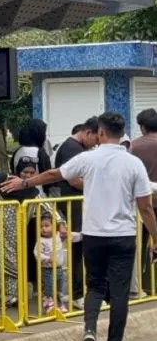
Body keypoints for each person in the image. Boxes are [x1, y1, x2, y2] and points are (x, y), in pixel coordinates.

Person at [2, 112, 157, 341]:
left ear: (100, 133)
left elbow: (54, 174)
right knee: (119, 294)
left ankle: (89, 332)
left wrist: (24, 182)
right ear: (121, 134)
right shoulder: (133, 164)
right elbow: (145, 207)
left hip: (94, 235)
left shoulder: (88, 158)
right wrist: (155, 237)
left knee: (95, 287)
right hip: (123, 236)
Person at [0, 150, 58, 308]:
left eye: (32, 172)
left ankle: (9, 298)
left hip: (16, 238)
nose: (28, 176)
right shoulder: (2, 181)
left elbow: (49, 210)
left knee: (13, 268)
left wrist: (61, 223)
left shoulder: (33, 193)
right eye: (25, 172)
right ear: (18, 171)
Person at [54, 117, 99, 305]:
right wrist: (98, 186)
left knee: (79, 248)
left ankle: (76, 291)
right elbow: (74, 180)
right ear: (87, 133)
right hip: (73, 206)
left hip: (77, 205)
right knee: (78, 249)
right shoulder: (72, 149)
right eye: (96, 140)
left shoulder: (74, 148)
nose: (96, 145)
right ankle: (78, 293)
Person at [130, 109, 157, 291]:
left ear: (142, 126)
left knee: (140, 245)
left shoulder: (134, 146)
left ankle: (143, 286)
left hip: (142, 201)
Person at [35, 213, 69, 313]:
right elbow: (37, 253)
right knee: (49, 288)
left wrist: (77, 234)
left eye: (46, 226)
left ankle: (59, 304)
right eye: (41, 227)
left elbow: (67, 235)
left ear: (54, 227)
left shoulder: (57, 236)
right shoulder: (41, 241)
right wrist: (46, 259)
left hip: (59, 268)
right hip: (48, 269)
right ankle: (48, 305)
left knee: (60, 287)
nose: (44, 229)